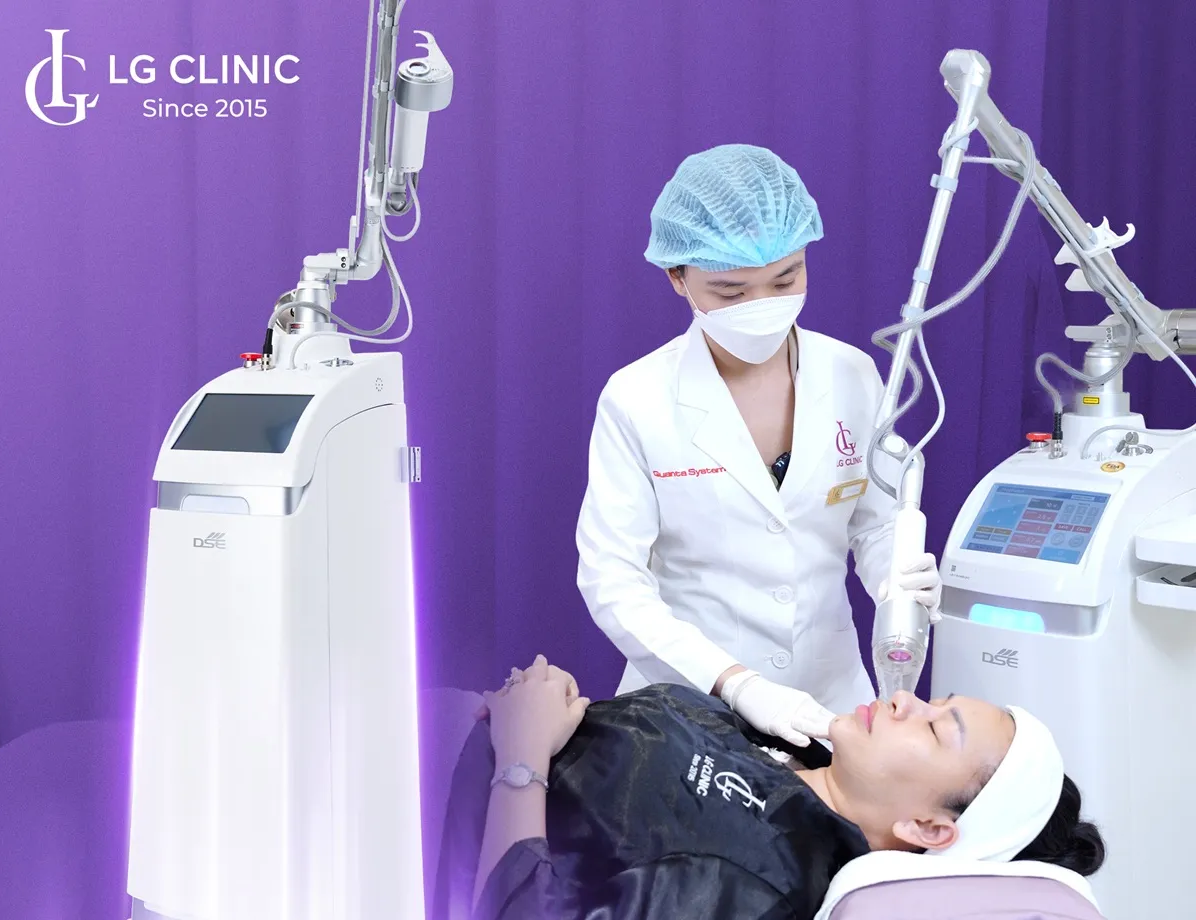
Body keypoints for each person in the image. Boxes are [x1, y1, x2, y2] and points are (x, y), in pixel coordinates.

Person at [575, 144, 943, 748]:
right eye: (730, 291)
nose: (763, 307)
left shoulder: (852, 373)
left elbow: (875, 521)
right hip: (689, 708)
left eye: (785, 279)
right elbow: (613, 579)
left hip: (831, 702)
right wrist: (736, 684)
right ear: (677, 278)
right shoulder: (636, 398)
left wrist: (894, 579)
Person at [432, 655, 1105, 920]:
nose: (907, 702)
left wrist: (522, 756)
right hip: (444, 717)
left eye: (935, 730)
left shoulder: (761, 884)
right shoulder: (795, 753)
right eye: (936, 699)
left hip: (421, 807)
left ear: (928, 828)